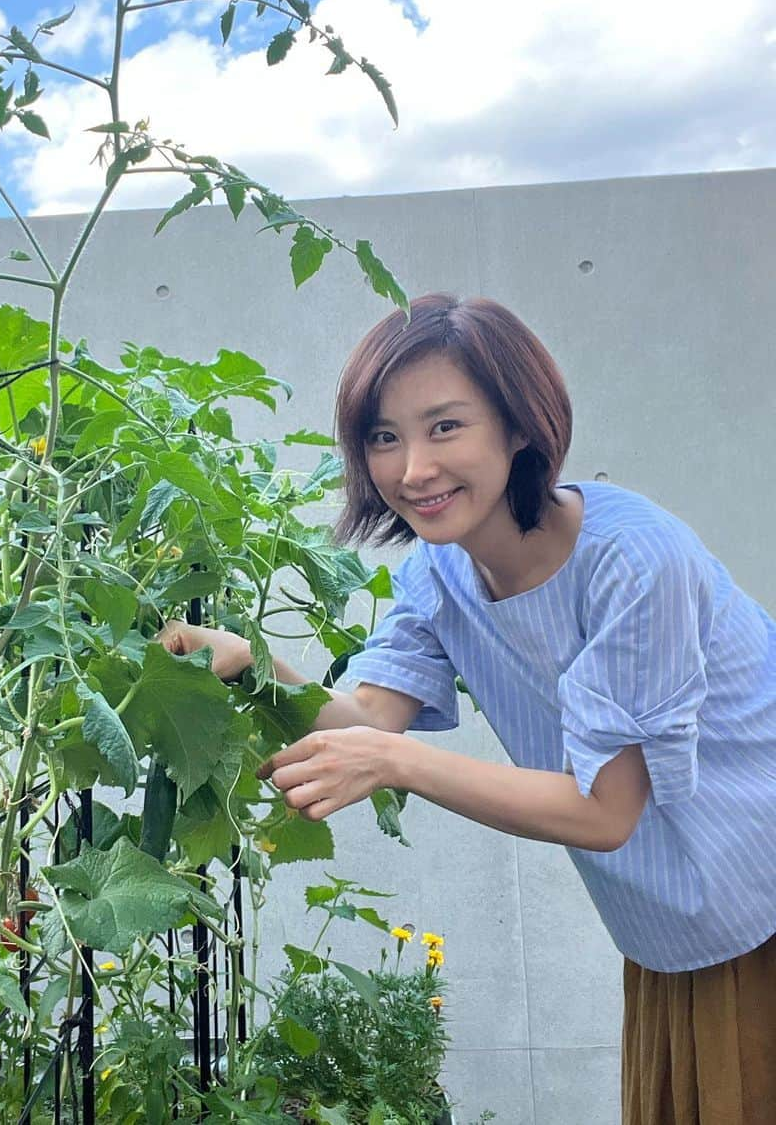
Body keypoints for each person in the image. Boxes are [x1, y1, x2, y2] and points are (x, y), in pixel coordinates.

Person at [160, 292, 776, 1125]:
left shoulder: (636, 562)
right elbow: (369, 726)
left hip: (759, 902)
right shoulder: (439, 576)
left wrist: (396, 761)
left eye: (445, 426)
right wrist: (252, 668)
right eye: (385, 437)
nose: (412, 469)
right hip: (681, 927)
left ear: (520, 426)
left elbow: (606, 812)